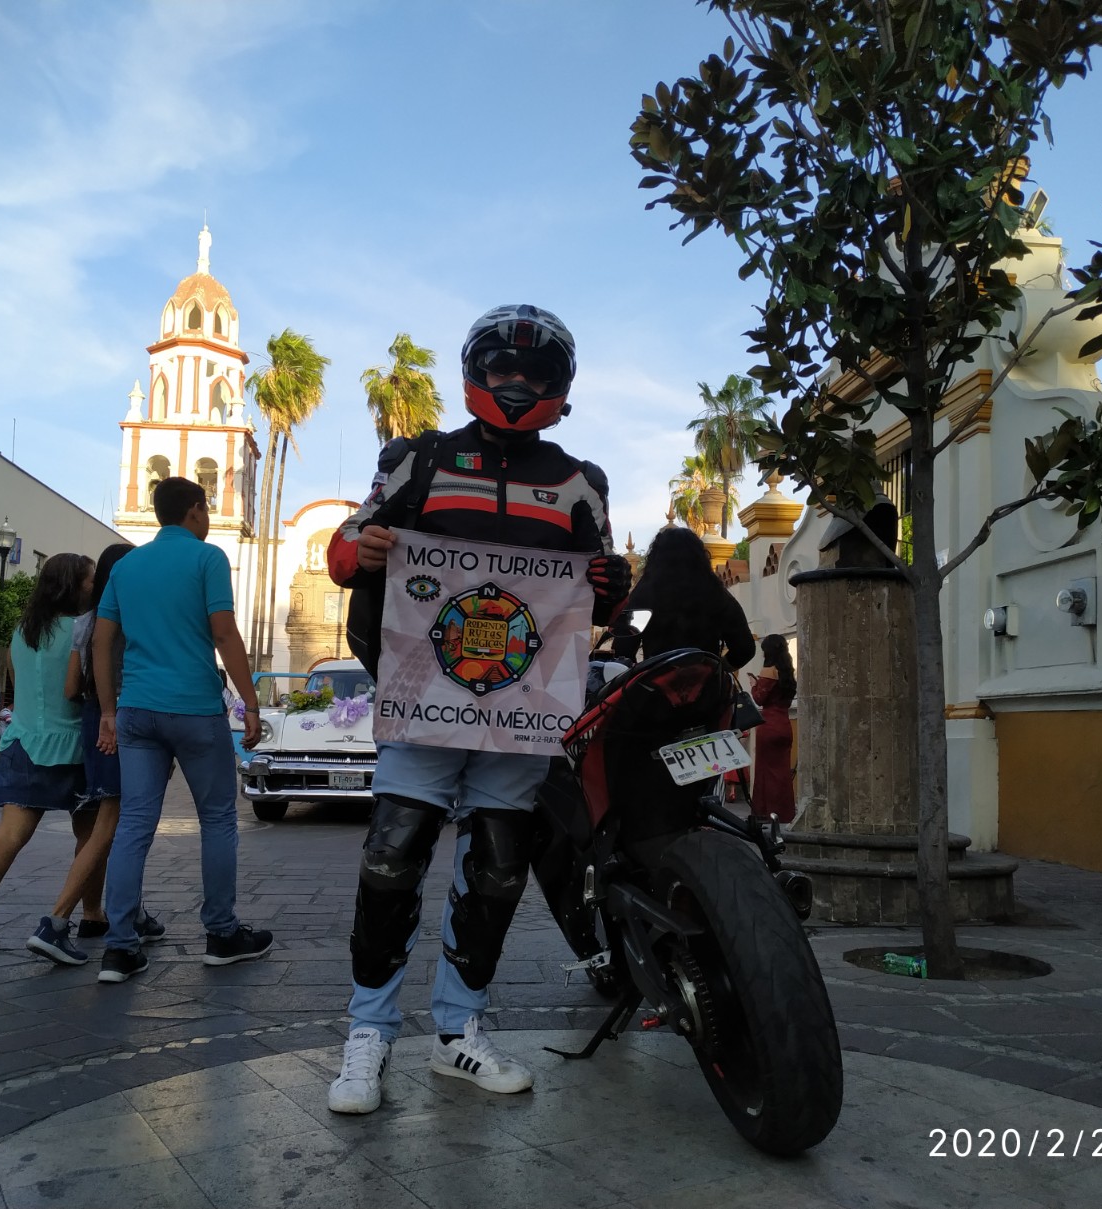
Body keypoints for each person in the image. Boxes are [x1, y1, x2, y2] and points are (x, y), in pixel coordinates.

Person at [321, 304, 629, 1114]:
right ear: (476, 373)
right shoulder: (415, 461)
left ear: (561, 386)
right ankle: (369, 1033)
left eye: (534, 374)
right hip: (423, 699)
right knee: (392, 856)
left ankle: (459, 1028)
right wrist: (370, 547)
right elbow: (343, 551)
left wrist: (612, 582)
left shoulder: (579, 482)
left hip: (520, 710)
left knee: (497, 868)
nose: (518, 384)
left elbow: (601, 588)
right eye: (503, 371)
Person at [92, 477, 268, 984]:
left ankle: (120, 947)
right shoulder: (206, 558)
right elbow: (223, 631)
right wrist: (250, 702)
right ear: (195, 510)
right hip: (193, 706)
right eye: (207, 509)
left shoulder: (126, 566)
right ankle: (221, 934)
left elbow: (103, 642)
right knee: (216, 819)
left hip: (136, 710)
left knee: (134, 824)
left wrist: (108, 708)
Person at [23, 541, 166, 965]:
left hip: (92, 720)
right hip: (125, 719)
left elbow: (71, 687)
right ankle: (56, 920)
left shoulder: (84, 621)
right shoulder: (135, 616)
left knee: (115, 823)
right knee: (113, 825)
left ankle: (131, 911)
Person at [0, 554, 94, 954]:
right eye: (89, 582)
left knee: (9, 834)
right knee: (92, 837)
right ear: (72, 586)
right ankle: (90, 914)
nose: (94, 588)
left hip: (23, 742)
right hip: (73, 746)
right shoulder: (84, 629)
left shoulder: (23, 631)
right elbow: (78, 690)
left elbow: (22, 685)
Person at [623, 526, 756, 668]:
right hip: (705, 685)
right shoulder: (715, 593)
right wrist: (718, 670)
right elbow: (745, 648)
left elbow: (624, 649)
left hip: (654, 686)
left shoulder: (644, 594)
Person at [748, 633, 798, 823]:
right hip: (784, 725)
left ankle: (765, 814)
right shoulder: (787, 672)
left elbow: (760, 698)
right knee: (782, 773)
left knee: (765, 772)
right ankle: (784, 813)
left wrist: (754, 685)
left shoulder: (768, 670)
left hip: (768, 725)